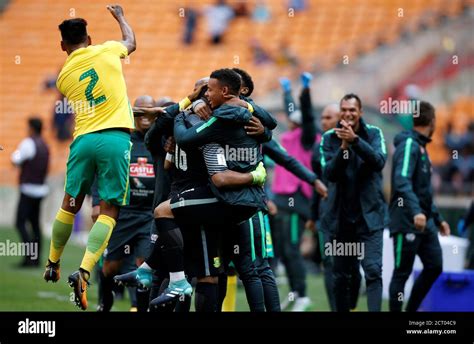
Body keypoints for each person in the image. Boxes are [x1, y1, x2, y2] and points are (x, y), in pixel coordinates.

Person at [42, 5, 137, 311]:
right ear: (90, 37)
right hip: (114, 137)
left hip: (82, 141)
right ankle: (84, 271)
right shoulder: (108, 50)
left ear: (62, 46)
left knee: (69, 204)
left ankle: (52, 261)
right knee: (108, 210)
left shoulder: (63, 77)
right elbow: (131, 43)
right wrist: (121, 18)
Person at [320, 93, 388, 312]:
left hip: (370, 218)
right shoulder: (329, 138)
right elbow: (330, 173)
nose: (348, 114)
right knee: (341, 276)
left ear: (360, 112)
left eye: (352, 110)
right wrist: (344, 148)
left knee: (373, 270)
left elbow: (378, 162)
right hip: (341, 220)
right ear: (340, 112)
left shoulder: (374, 133)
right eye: (344, 110)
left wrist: (356, 141)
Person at [92, 96, 156, 312]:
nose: (145, 116)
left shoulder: (160, 142)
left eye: (150, 111)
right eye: (140, 111)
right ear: (133, 113)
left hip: (149, 215)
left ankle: (140, 307)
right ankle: (105, 303)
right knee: (110, 267)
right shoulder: (123, 141)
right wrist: (95, 202)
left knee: (144, 265)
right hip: (123, 214)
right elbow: (100, 172)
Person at [389, 101, 450, 312]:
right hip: (407, 221)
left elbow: (423, 191)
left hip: (425, 221)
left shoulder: (422, 148)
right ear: (431, 121)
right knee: (401, 274)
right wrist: (415, 211)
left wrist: (438, 217)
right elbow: (401, 180)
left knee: (435, 266)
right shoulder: (408, 145)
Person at [271, 72, 322, 311]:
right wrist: (287, 93)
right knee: (283, 250)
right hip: (280, 198)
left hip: (295, 200)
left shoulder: (307, 138)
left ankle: (302, 295)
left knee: (292, 249)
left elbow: (307, 116)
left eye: (295, 119)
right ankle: (294, 293)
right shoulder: (290, 135)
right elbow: (292, 111)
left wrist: (305, 92)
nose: (290, 119)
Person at [11, 117, 50, 267]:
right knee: (35, 225)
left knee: (20, 223)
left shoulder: (28, 143)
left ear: (32, 128)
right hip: (40, 190)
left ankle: (29, 258)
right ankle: (36, 259)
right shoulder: (45, 145)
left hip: (28, 189)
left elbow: (16, 159)